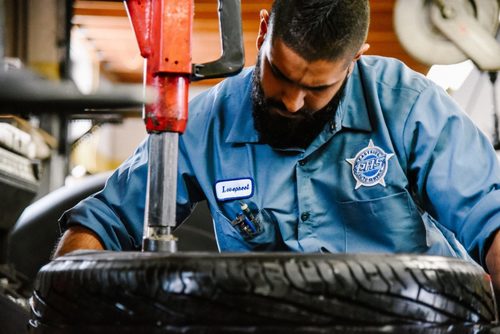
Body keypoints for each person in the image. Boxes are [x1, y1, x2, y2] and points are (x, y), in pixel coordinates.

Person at [54, 0, 500, 290]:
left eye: (317, 89)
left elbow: (490, 217)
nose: (291, 101)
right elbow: (107, 218)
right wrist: (66, 303)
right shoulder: (207, 120)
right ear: (264, 30)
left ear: (355, 58)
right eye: (280, 75)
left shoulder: (407, 104)